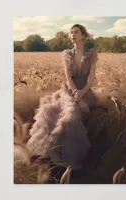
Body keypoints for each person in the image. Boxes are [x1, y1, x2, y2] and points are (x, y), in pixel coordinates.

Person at [26, 24, 99, 170]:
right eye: (71, 32)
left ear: (83, 36)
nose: (72, 34)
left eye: (76, 32)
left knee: (70, 116)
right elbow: (68, 78)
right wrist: (77, 98)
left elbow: (91, 80)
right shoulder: (67, 53)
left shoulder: (92, 53)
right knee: (49, 112)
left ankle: (69, 161)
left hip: (85, 91)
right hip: (69, 90)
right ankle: (48, 156)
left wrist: (82, 94)